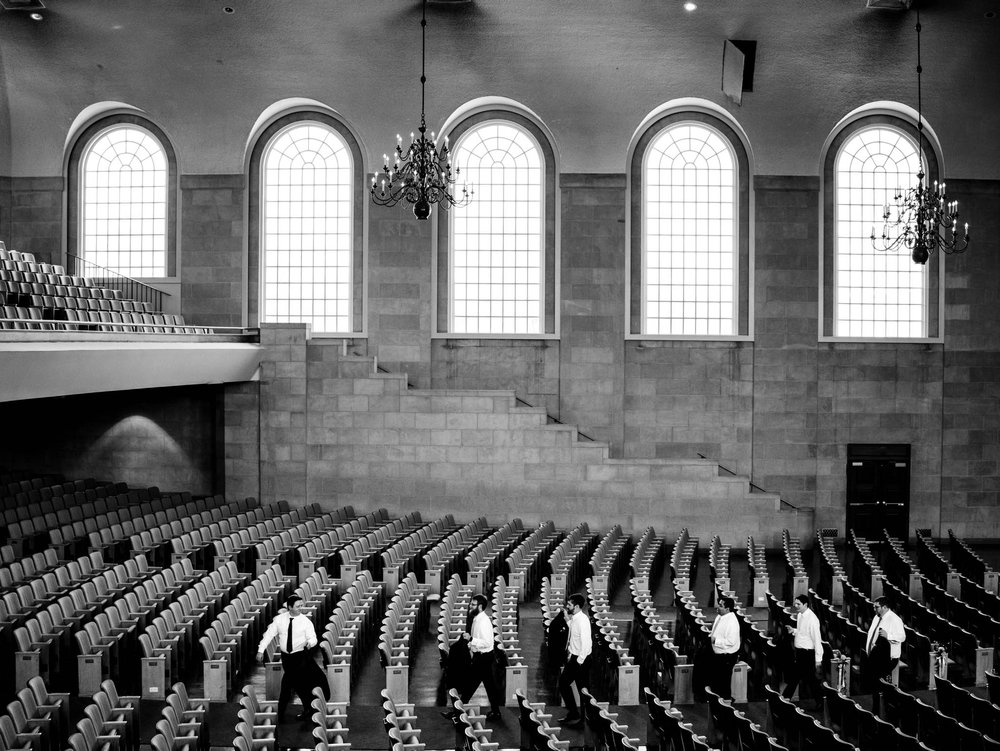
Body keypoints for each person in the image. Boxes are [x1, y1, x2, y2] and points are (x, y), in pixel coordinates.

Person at [256, 594, 321, 724]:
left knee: (287, 684)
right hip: (287, 658)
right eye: (298, 606)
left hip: (300, 656)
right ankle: (309, 708)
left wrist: (310, 643)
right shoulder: (279, 620)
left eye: (301, 605)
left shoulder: (305, 621)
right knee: (299, 684)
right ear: (289, 607)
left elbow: (313, 638)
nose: (300, 608)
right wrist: (260, 650)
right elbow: (268, 635)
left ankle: (280, 713)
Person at [444, 594, 503, 721]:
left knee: (471, 686)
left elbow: (487, 643)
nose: (470, 606)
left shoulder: (484, 622)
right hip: (481, 657)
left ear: (480, 607)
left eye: (473, 604)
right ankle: (496, 713)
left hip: (484, 658)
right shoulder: (477, 618)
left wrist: (471, 639)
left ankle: (457, 711)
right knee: (486, 687)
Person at [782, 594, 824, 711]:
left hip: (808, 654)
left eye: (798, 604)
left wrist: (818, 660)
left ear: (805, 604)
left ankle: (786, 698)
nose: (795, 606)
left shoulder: (813, 619)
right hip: (800, 653)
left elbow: (817, 640)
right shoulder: (800, 615)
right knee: (802, 678)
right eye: (795, 603)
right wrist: (794, 631)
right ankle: (786, 698)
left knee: (807, 679)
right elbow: (803, 632)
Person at [558, 593, 592, 728]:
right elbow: (572, 627)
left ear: (577, 606)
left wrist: (579, 661)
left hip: (580, 660)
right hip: (575, 658)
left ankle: (585, 719)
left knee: (582, 690)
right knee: (565, 684)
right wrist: (567, 619)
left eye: (570, 605)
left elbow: (586, 644)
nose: (567, 606)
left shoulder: (583, 621)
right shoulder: (576, 619)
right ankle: (574, 713)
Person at [865, 596, 905, 689]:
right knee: (873, 683)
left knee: (879, 684)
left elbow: (902, 637)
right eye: (874, 607)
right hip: (876, 655)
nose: (874, 609)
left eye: (876, 607)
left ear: (885, 607)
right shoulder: (877, 617)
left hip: (888, 658)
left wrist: (889, 636)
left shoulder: (895, 619)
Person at [707, 595, 741, 700]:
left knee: (724, 681)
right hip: (718, 654)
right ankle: (718, 699)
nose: (717, 607)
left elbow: (731, 641)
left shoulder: (732, 622)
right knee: (717, 680)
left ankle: (726, 701)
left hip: (726, 656)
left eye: (720, 606)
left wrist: (715, 640)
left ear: (727, 609)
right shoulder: (720, 616)